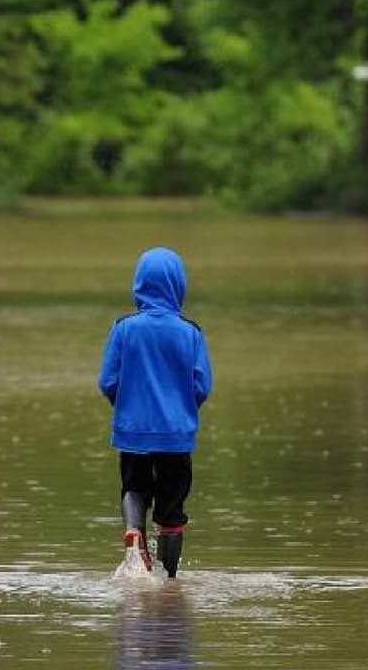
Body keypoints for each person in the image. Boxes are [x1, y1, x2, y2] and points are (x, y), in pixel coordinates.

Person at [98, 247, 212, 578]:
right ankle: (168, 580)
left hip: (133, 432)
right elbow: (202, 385)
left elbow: (108, 381)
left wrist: (126, 407)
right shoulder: (191, 332)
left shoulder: (123, 328)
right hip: (176, 436)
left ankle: (134, 531)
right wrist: (182, 412)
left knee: (134, 487)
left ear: (139, 284)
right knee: (172, 511)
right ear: (179, 285)